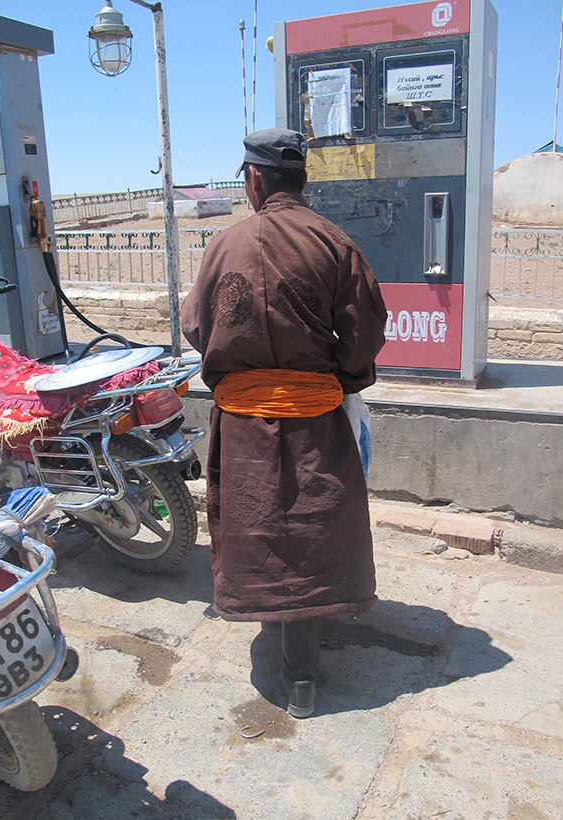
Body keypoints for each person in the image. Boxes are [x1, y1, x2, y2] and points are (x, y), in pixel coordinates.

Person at [180, 128, 386, 718]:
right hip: (315, 421)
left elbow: (196, 326)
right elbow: (367, 329)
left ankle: (289, 655)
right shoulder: (334, 242)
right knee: (312, 532)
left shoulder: (223, 245)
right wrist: (340, 378)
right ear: (302, 180)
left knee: (259, 530)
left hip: (244, 423)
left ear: (254, 179)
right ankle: (301, 678)